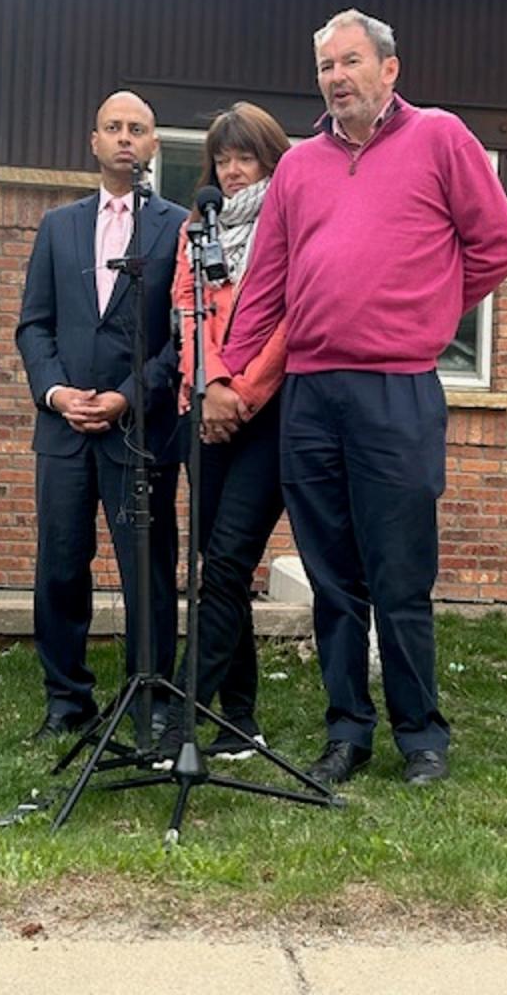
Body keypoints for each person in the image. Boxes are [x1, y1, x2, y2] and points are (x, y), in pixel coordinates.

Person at [221, 9, 507, 787]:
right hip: (312, 395)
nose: (337, 77)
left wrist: (424, 309)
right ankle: (347, 731)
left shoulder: (441, 139)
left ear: (390, 68)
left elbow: (497, 247)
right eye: (326, 66)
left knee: (400, 572)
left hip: (397, 391)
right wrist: (224, 369)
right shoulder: (298, 168)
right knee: (332, 576)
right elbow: (267, 285)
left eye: (350, 61)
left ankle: (421, 737)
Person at [16, 91, 188, 740]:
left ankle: (153, 697)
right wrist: (58, 394)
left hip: (139, 433)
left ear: (151, 145)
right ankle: (66, 700)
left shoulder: (176, 227)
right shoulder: (58, 227)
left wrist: (127, 395)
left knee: (147, 567)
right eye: (113, 127)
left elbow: (181, 337)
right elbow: (34, 326)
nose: (124, 138)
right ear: (94, 141)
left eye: (136, 129)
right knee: (60, 563)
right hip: (62, 431)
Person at [156, 103, 290, 764]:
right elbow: (188, 318)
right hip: (199, 415)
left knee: (229, 564)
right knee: (216, 571)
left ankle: (181, 721)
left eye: (247, 157)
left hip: (266, 418)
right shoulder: (194, 231)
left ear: (270, 159)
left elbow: (292, 324)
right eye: (224, 158)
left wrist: (240, 393)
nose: (233, 170)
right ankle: (240, 721)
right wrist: (204, 392)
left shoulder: (291, 225)